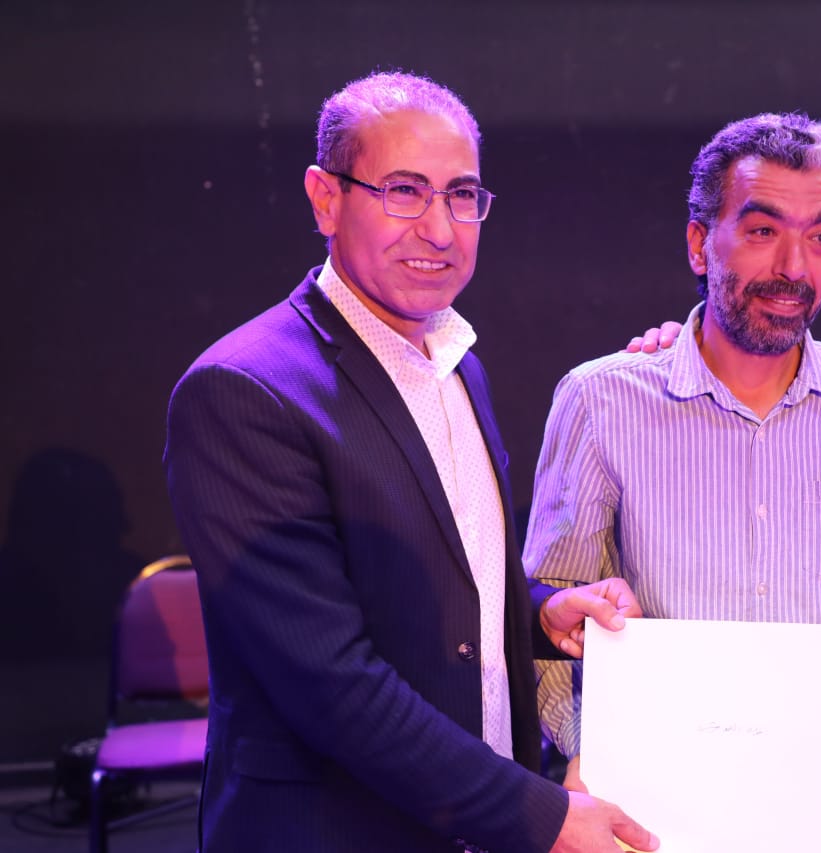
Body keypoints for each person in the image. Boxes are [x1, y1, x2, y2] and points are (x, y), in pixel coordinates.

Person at [164, 70, 657, 853]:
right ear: (325, 199)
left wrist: (538, 613)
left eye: (461, 195)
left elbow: (438, 584)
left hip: (476, 825)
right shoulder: (244, 390)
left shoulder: (457, 362)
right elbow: (329, 681)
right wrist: (541, 816)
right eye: (403, 191)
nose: (440, 228)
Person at [523, 113, 821, 826]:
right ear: (699, 243)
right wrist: (592, 746)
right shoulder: (602, 400)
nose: (795, 268)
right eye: (762, 231)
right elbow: (556, 609)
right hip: (653, 808)